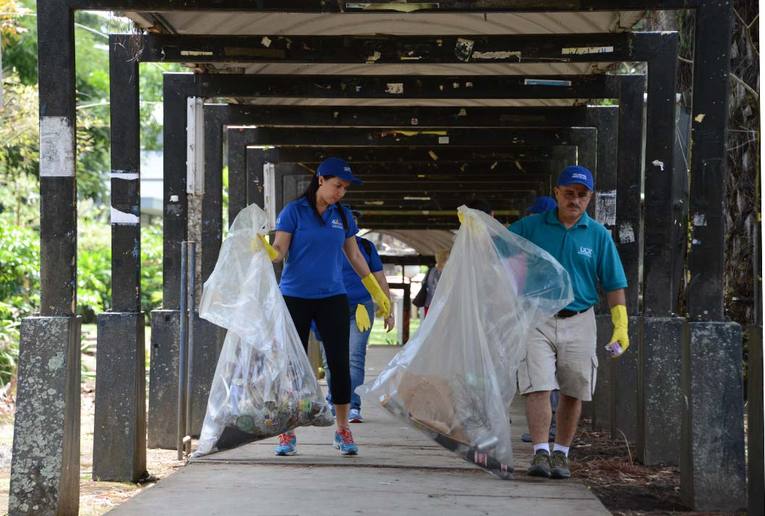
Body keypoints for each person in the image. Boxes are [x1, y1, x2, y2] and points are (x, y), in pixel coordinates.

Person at [259, 157, 392, 457]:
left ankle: (343, 429)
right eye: (337, 186)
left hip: (333, 297)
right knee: (289, 364)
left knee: (340, 364)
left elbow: (356, 256)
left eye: (344, 188)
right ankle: (287, 431)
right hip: (294, 297)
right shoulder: (294, 211)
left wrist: (376, 292)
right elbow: (279, 252)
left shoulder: (343, 216)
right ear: (321, 180)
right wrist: (265, 250)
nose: (340, 193)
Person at [508, 165, 629, 480]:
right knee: (538, 385)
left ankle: (561, 453)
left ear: (589, 198)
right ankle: (540, 452)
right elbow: (497, 242)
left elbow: (614, 284)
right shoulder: (531, 227)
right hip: (537, 316)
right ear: (557, 193)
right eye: (569, 193)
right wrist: (476, 226)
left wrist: (621, 326)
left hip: (580, 319)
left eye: (582, 195)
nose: (575, 200)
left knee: (574, 389)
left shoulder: (598, 235)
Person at [324, 209, 395, 423]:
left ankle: (352, 405)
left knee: (354, 358)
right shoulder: (326, 245)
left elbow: (380, 278)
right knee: (331, 360)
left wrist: (387, 308)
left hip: (360, 309)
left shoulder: (365, 247)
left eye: (352, 223)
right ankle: (333, 400)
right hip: (328, 306)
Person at [519, 195, 560, 445]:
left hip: (543, 316)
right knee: (543, 379)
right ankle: (547, 430)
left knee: (544, 380)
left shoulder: (542, 247)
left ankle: (550, 429)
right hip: (537, 316)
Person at [423, 248, 450, 317]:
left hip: (430, 304)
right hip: (436, 305)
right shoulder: (440, 272)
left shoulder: (432, 270)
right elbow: (436, 289)